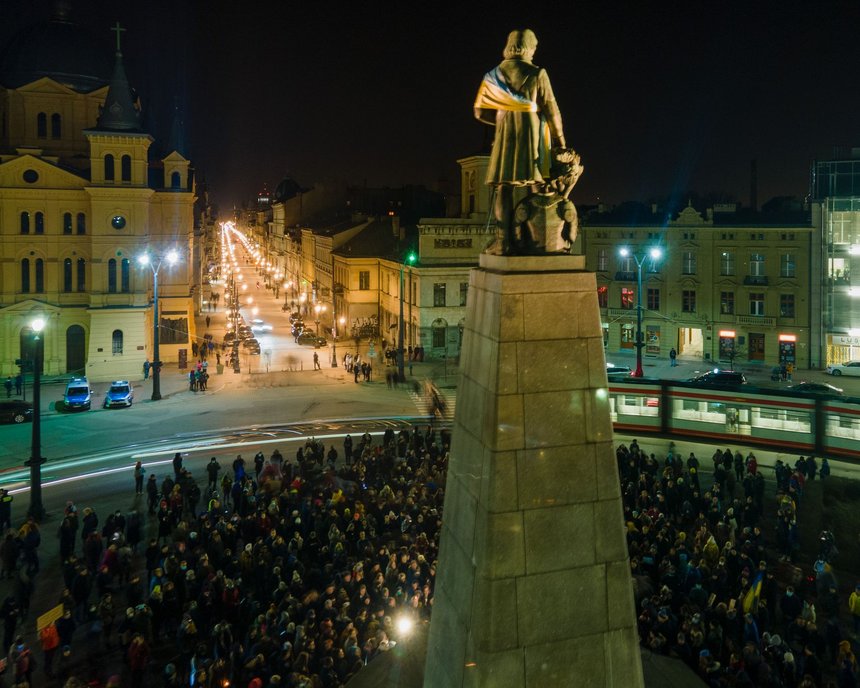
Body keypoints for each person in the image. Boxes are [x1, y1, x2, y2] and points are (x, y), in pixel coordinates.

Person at [474, 29, 567, 255]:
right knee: (537, 183)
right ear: (527, 47)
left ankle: (504, 241)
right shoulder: (537, 73)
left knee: (503, 187)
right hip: (531, 131)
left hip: (505, 133)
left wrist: (501, 119)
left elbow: (479, 112)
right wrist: (560, 141)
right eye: (534, 48)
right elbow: (552, 110)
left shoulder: (493, 74)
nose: (534, 53)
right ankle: (538, 240)